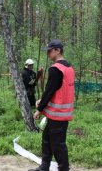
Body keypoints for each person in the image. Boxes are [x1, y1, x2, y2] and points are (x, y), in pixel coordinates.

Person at [29, 39, 75, 171]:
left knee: (58, 145)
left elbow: (49, 91)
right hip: (59, 114)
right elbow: (56, 90)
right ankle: (44, 167)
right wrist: (42, 100)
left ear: (58, 50)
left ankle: (64, 168)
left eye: (50, 51)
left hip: (58, 115)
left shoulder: (56, 69)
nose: (48, 53)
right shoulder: (69, 67)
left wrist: (39, 110)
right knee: (47, 140)